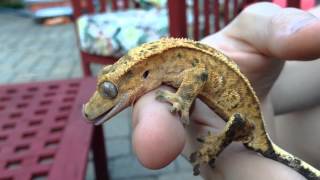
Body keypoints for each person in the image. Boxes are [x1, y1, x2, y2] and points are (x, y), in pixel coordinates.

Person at [130, 2, 320, 179]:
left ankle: (213, 150)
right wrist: (264, 88)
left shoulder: (178, 72)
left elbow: (200, 79)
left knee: (237, 123)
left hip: (250, 129)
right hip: (268, 127)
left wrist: (211, 144)